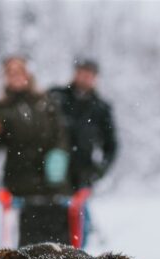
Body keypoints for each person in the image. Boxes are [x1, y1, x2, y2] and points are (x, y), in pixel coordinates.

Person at [0, 56, 73, 246]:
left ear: (28, 74)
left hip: (53, 190)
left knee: (60, 249)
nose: (16, 76)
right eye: (11, 72)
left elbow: (61, 136)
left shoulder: (47, 103)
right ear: (5, 77)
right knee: (26, 253)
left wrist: (59, 156)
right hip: (20, 193)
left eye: (20, 71)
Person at [49, 58, 119, 193]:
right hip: (50, 175)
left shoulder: (101, 108)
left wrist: (97, 172)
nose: (86, 77)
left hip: (81, 178)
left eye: (90, 74)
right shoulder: (56, 97)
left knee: (77, 213)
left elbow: (111, 145)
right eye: (83, 73)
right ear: (75, 74)